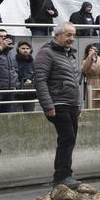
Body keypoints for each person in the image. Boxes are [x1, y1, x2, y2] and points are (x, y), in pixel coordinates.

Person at [34, 22, 83, 188]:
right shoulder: (46, 53)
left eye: (73, 35)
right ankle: (62, 176)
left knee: (69, 139)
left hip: (70, 104)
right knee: (67, 138)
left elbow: (75, 83)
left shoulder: (70, 55)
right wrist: (48, 105)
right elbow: (40, 80)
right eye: (68, 35)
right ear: (57, 35)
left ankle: (63, 175)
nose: (71, 38)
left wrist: (78, 106)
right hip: (57, 103)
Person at [14, 40, 37, 112]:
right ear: (18, 49)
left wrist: (26, 84)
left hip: (30, 93)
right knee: (16, 115)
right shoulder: (14, 60)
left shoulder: (33, 62)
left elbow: (36, 76)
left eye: (27, 48)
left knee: (30, 115)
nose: (25, 50)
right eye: (23, 48)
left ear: (30, 50)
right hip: (16, 93)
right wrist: (20, 85)